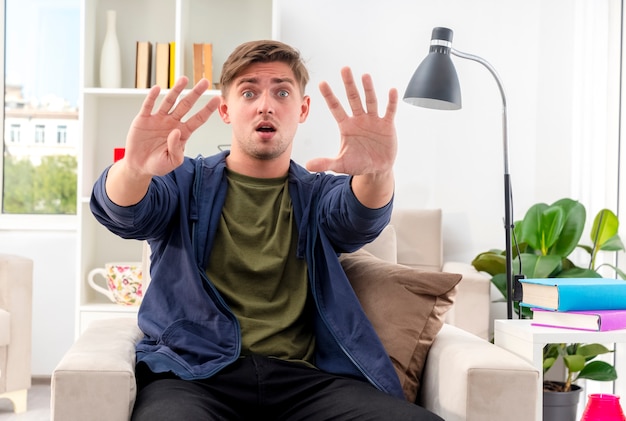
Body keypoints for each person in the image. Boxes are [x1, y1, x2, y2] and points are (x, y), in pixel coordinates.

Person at [91, 40, 443, 421]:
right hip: (194, 375)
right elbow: (124, 214)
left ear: (302, 109)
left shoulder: (317, 194)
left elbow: (360, 218)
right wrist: (134, 169)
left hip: (305, 381)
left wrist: (377, 172)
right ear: (225, 109)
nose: (265, 104)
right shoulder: (183, 181)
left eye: (282, 91)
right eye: (248, 92)